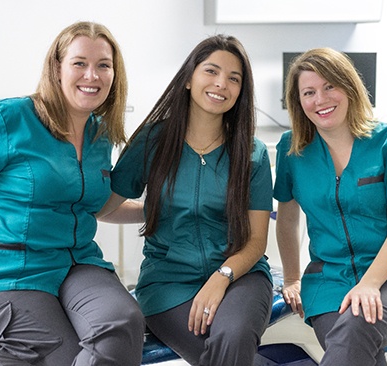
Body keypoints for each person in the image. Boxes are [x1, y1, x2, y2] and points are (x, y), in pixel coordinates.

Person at [0, 21, 145, 366]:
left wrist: (156, 210)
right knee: (68, 356)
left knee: (123, 324)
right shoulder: (9, 119)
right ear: (57, 68)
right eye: (79, 63)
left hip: (73, 263)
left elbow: (94, 206)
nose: (92, 75)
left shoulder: (99, 134)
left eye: (103, 65)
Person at [98, 34, 274, 366]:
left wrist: (222, 277)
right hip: (168, 283)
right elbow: (103, 206)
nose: (221, 83)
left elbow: (255, 240)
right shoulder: (152, 141)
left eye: (234, 78)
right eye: (211, 71)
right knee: (219, 356)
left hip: (240, 276)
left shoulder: (253, 154)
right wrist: (150, 211)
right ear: (190, 78)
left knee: (232, 337)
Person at [274, 47, 387, 365]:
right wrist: (291, 279)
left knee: (356, 326)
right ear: (298, 101)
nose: (321, 99)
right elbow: (286, 220)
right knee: (355, 345)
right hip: (329, 280)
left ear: (349, 85)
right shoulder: (290, 148)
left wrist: (369, 285)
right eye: (309, 92)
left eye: (330, 86)